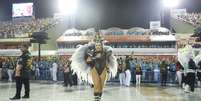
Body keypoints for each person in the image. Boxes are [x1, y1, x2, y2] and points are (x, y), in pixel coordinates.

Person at [71, 33, 117, 101]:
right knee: (96, 85)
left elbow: (109, 55)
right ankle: (96, 100)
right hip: (94, 69)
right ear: (95, 45)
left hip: (103, 69)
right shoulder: (91, 52)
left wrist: (107, 67)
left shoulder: (106, 51)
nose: (98, 46)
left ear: (101, 45)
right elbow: (88, 60)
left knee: (101, 87)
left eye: (99, 45)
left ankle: (99, 99)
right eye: (96, 45)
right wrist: (94, 57)